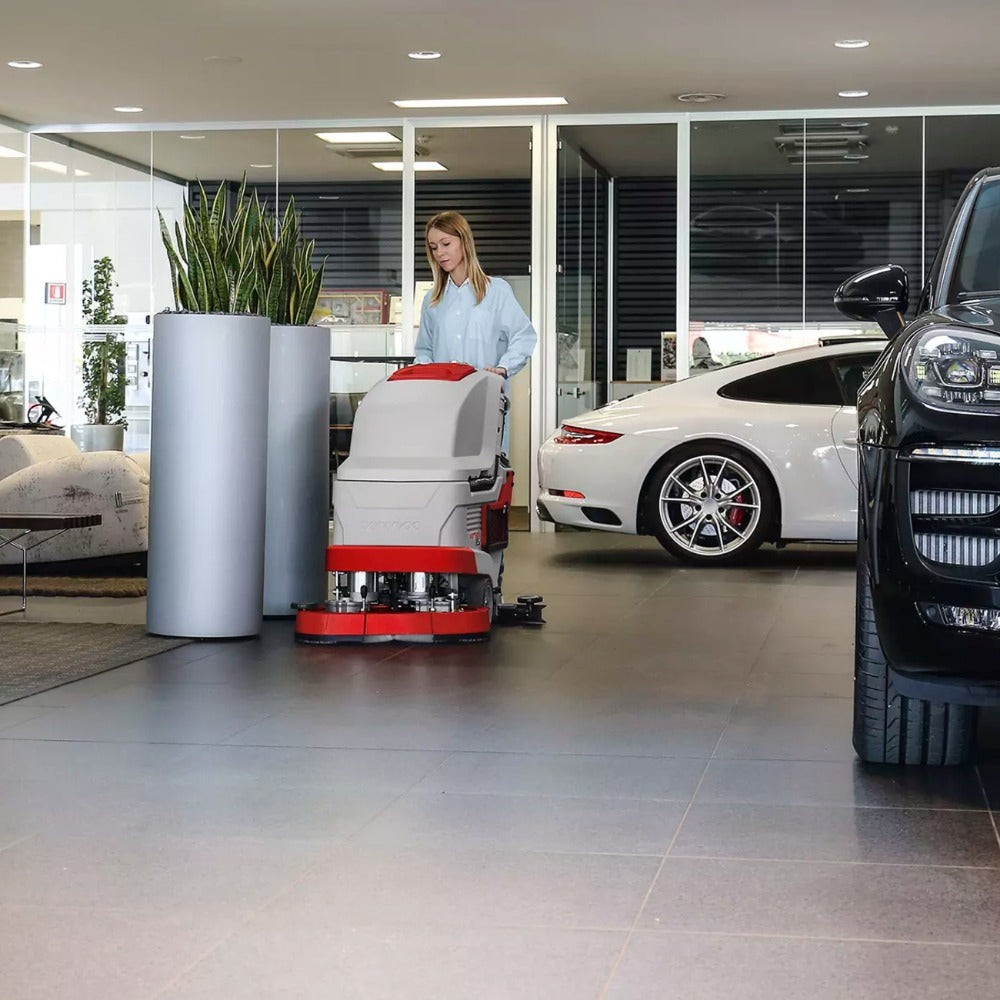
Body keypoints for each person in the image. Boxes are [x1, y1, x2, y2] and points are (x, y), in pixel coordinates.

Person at [414, 211, 537, 456]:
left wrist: (502, 369)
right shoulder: (433, 300)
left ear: (464, 241)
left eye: (446, 244)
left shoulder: (497, 291)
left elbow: (524, 336)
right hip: (442, 402)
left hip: (485, 400)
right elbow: (424, 349)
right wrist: (424, 375)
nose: (439, 253)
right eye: (434, 247)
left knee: (485, 474)